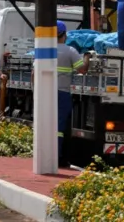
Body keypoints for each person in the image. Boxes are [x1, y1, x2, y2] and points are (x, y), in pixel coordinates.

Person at [55, 21, 90, 165]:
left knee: (47, 124)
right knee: (60, 126)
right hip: (62, 93)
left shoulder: (43, 50)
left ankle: (48, 155)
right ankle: (58, 157)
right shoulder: (70, 51)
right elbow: (82, 70)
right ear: (64, 35)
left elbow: (33, 73)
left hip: (45, 93)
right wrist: (87, 57)